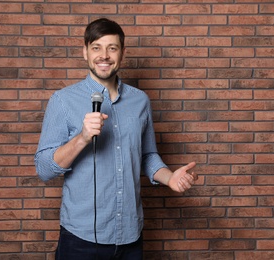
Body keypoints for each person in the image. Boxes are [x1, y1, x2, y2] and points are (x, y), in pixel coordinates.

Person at [34, 18, 198, 260]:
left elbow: (147, 155)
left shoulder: (140, 101)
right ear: (85, 52)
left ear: (122, 54)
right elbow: (44, 169)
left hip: (130, 235)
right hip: (81, 239)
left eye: (112, 48)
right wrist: (82, 138)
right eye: (97, 47)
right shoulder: (63, 100)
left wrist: (169, 178)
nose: (104, 56)